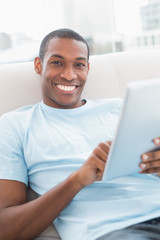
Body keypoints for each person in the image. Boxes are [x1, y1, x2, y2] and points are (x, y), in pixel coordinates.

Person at [0, 28, 160, 240]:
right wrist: (77, 180)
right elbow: (6, 229)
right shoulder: (14, 125)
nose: (69, 75)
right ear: (39, 65)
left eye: (79, 65)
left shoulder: (122, 107)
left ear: (87, 68)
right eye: (57, 62)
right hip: (119, 231)